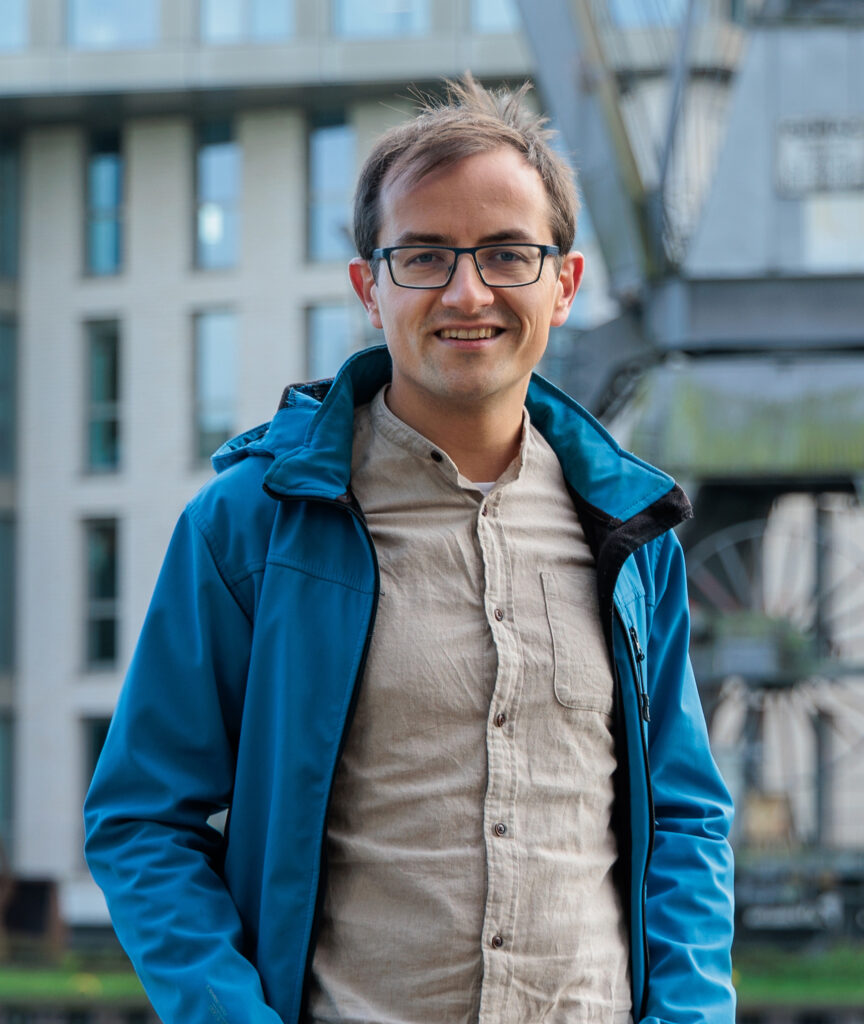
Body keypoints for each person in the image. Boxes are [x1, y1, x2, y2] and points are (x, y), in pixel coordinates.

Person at [84, 76, 735, 1024]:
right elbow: (143, 819)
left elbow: (684, 818)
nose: (468, 292)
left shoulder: (631, 534)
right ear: (369, 288)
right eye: (424, 256)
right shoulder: (250, 525)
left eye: (507, 254)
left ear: (563, 285)